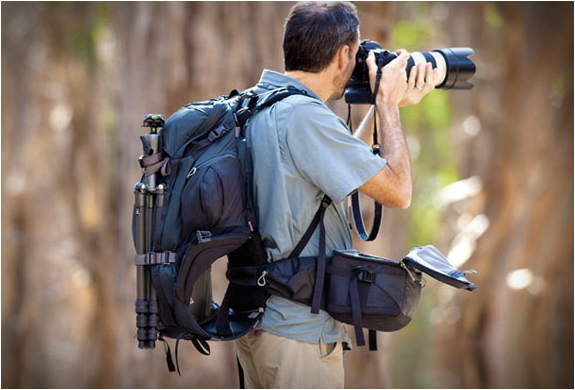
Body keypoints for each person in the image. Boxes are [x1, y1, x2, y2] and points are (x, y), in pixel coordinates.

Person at [235, 1, 440, 388]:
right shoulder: (304, 117)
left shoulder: (260, 105)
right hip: (298, 333)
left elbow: (341, 161)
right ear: (344, 54)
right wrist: (388, 106)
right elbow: (398, 190)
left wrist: (380, 108)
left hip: (260, 321)